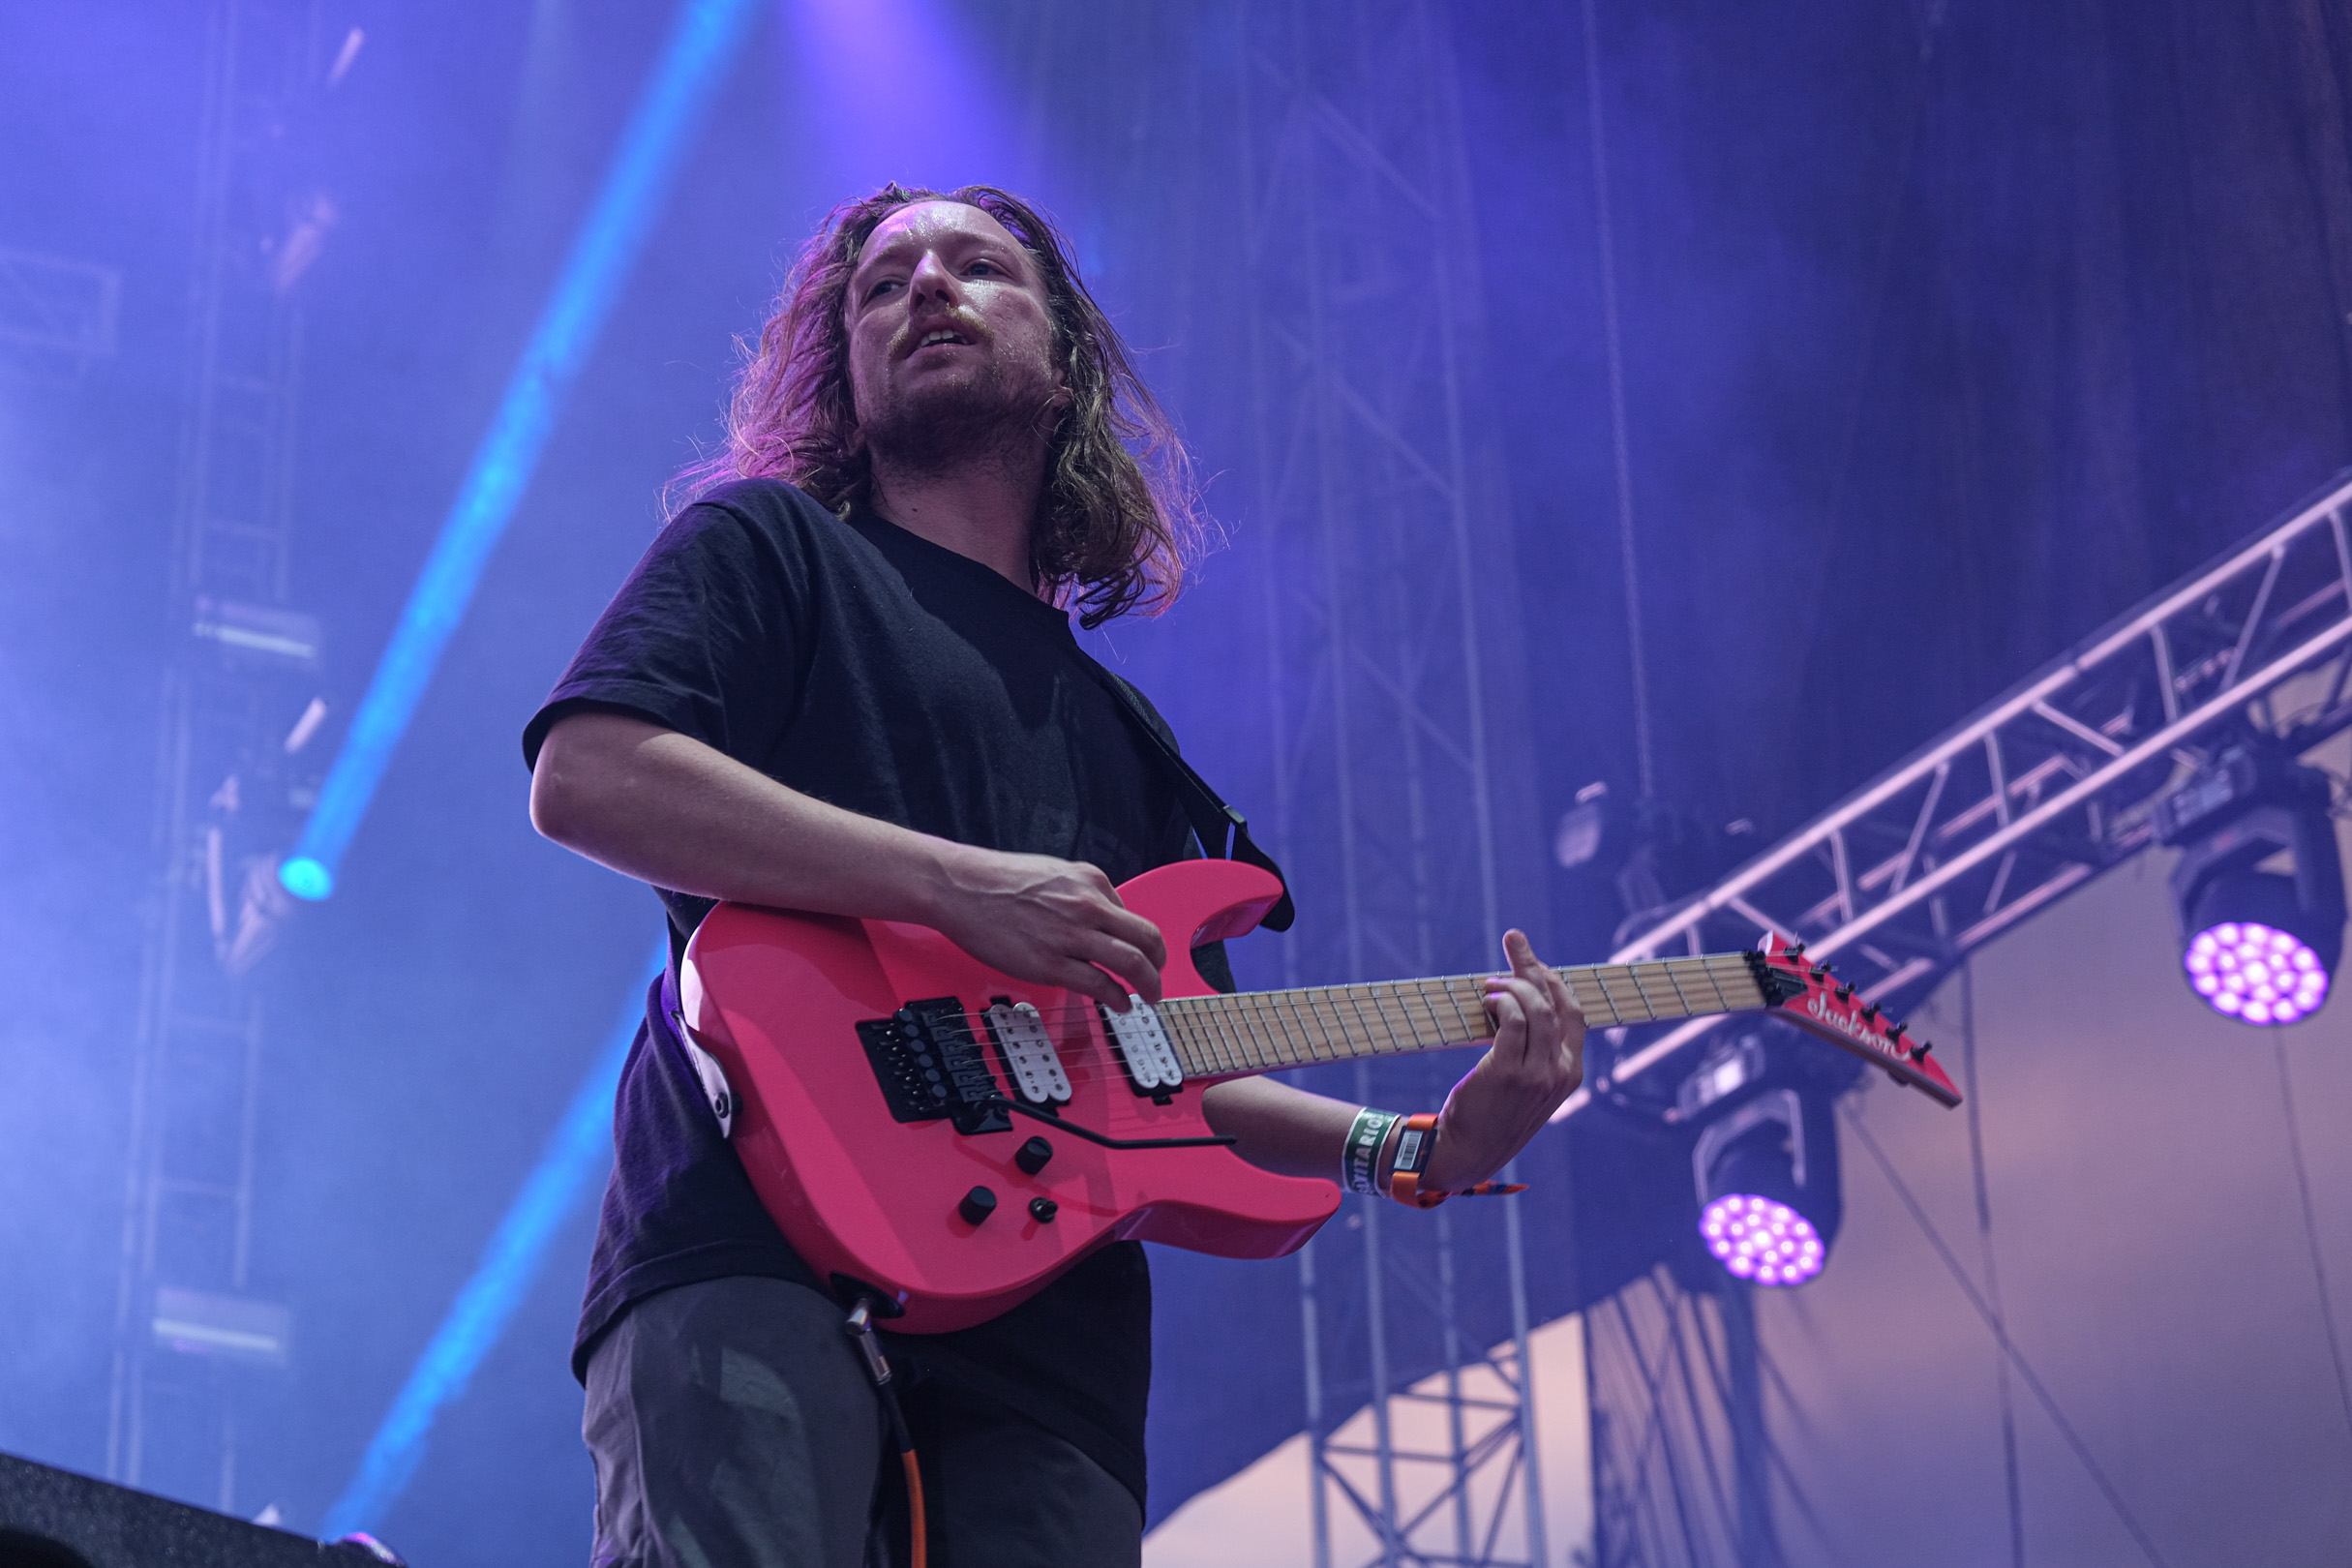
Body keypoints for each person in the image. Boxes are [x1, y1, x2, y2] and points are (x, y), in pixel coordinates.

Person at [523, 182, 1584, 1568]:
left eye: (978, 267)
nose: (926, 289)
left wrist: (1420, 1151)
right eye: (881, 286)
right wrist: (952, 886)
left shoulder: (1128, 737)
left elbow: (1162, 1059)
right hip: (757, 1235)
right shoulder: (770, 547)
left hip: (1050, 1342)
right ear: (845, 373)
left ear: (1066, 358)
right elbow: (589, 776)